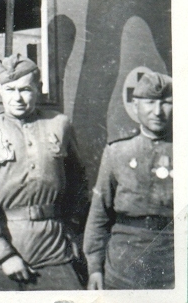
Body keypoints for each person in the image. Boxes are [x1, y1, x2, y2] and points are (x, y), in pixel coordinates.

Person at [0, 53, 88, 291]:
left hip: (54, 251)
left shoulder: (59, 125)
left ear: (38, 88)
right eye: (10, 90)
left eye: (25, 90)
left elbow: (78, 183)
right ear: (0, 90)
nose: (17, 98)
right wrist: (4, 254)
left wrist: (71, 229)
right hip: (5, 255)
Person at [83, 71, 173, 290]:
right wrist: (95, 268)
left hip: (174, 265)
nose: (157, 111)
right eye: (150, 102)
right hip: (124, 266)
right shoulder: (117, 152)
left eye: (166, 103)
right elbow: (99, 214)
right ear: (135, 106)